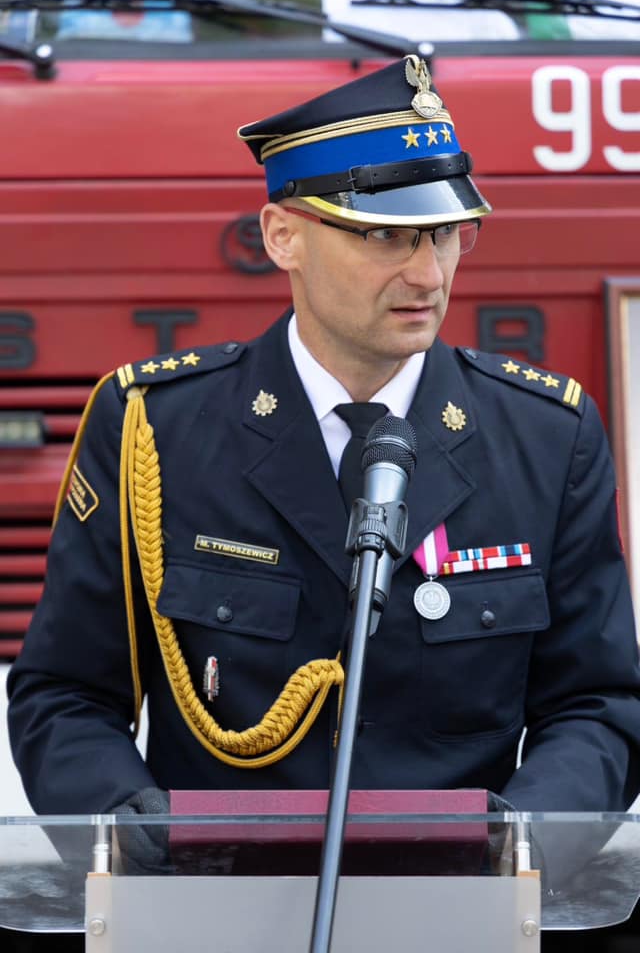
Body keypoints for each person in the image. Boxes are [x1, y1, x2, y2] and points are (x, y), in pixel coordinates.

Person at [7, 55, 640, 820]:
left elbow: (598, 707)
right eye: (383, 236)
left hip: (464, 887)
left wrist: (520, 841)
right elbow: (66, 694)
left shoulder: (546, 437)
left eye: (444, 233)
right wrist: (137, 835)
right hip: (213, 884)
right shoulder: (155, 428)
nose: (428, 276)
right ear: (283, 238)